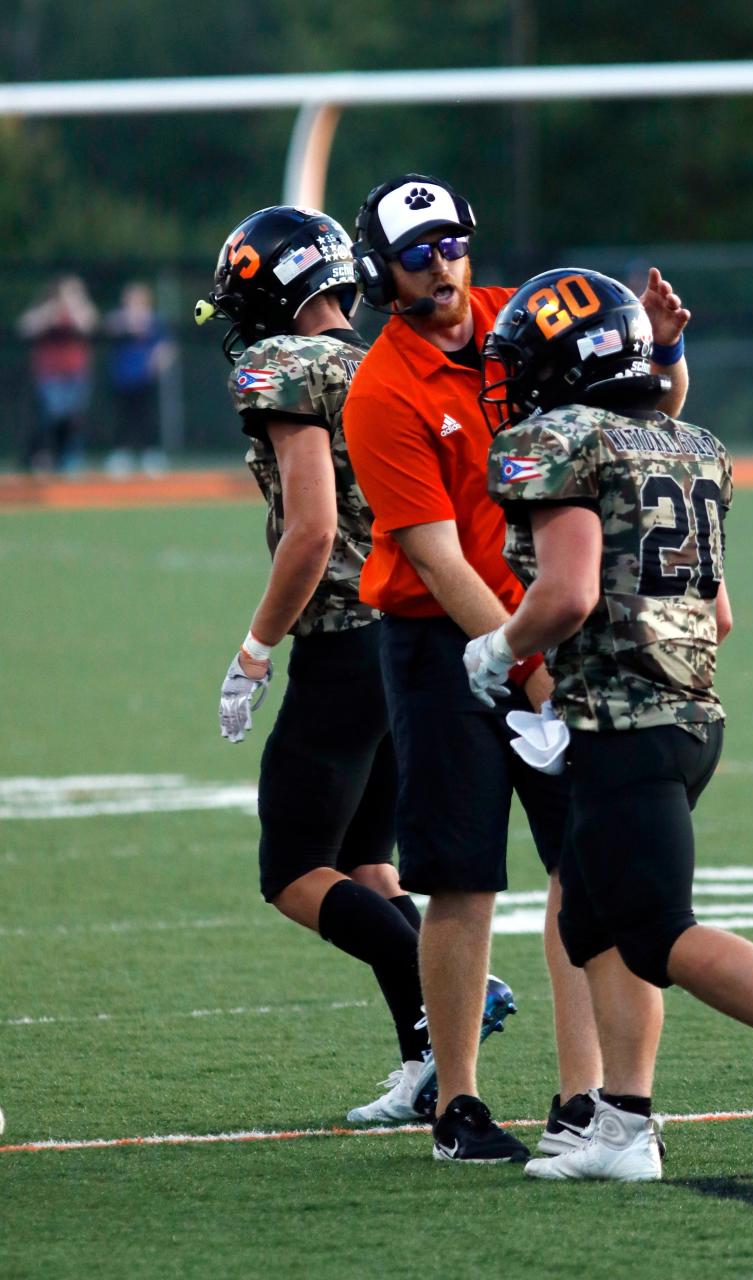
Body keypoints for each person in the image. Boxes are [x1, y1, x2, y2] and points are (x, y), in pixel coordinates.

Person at [465, 267, 753, 1183]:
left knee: (656, 929)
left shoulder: (558, 441)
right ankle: (622, 1124)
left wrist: (500, 650)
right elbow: (721, 615)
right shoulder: (690, 441)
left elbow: (569, 592)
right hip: (684, 714)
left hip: (625, 722)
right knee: (591, 919)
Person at [343, 173, 689, 1163]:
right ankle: (456, 1101)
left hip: (552, 622)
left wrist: (663, 352)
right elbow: (439, 558)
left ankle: (586, 1096)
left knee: (586, 865)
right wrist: (526, 672)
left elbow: (637, 424)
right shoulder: (381, 388)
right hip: (446, 644)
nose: (444, 264)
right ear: (382, 272)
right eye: (419, 252)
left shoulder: (518, 322)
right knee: (459, 876)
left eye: (453, 242)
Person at [195, 204, 463, 1125]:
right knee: (368, 864)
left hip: (345, 639)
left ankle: (451, 983)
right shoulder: (397, 360)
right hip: (417, 630)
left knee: (295, 871)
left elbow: (310, 532)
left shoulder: (287, 365)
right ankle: (433, 1061)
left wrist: (254, 650)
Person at [17, 276, 98, 473]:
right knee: (52, 417)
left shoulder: (79, 310)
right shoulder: (46, 310)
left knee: (74, 418)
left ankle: (70, 459)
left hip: (76, 373)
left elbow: (89, 324)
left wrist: (74, 305)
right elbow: (25, 327)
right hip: (50, 374)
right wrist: (51, 309)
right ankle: (47, 456)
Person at [104, 282, 175, 475]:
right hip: (122, 378)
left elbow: (166, 346)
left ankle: (151, 455)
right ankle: (121, 455)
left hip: (145, 378)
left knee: (148, 417)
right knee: (122, 417)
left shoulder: (155, 321)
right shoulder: (119, 319)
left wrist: (159, 362)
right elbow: (109, 327)